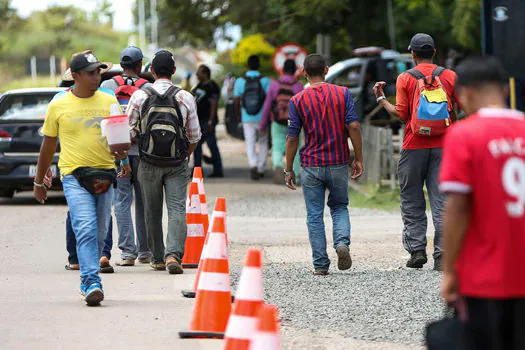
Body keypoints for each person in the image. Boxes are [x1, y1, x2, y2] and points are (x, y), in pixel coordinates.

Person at [440, 57, 525, 349]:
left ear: (466, 93)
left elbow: (457, 209)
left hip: (484, 276)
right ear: (503, 90)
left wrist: (450, 270)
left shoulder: (463, 134)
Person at [34, 51, 130, 306]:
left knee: (100, 231)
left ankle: (90, 275)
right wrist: (38, 181)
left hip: (105, 174)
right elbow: (48, 144)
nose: (96, 77)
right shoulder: (58, 104)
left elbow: (119, 138)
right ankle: (90, 281)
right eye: (90, 73)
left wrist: (124, 158)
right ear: (74, 76)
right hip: (74, 176)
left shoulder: (109, 99)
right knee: (85, 227)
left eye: (98, 72)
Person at [372, 33, 459, 271]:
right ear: (434, 51)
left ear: (412, 54)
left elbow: (401, 114)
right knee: (442, 200)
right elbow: (459, 108)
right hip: (444, 147)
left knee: (412, 199)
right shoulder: (450, 76)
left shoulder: (405, 78)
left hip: (413, 145)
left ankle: (417, 251)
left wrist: (381, 99)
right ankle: (442, 255)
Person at [285, 54, 364, 275]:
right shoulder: (343, 94)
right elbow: (354, 126)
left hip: (310, 164)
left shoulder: (297, 100)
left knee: (314, 214)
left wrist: (289, 168)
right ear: (327, 70)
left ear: (304, 73)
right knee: (339, 206)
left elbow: (292, 138)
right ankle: (341, 243)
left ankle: (320, 265)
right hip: (338, 161)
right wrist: (358, 158)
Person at [127, 49, 201, 274]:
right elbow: (194, 135)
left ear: (151, 70)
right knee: (177, 208)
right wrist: (184, 155)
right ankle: (173, 255)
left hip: (147, 161)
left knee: (151, 209)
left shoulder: (140, 95)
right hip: (176, 162)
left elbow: (128, 131)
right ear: (174, 71)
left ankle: (158, 258)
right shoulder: (185, 96)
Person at [100, 46, 152, 266]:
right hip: (143, 152)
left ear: (122, 64)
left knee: (121, 201)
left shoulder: (107, 86)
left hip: (117, 151)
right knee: (143, 201)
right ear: (140, 65)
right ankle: (145, 251)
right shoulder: (148, 88)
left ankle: (127, 253)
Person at [260, 59, 304, 184]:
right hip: (294, 123)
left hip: (277, 121)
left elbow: (268, 105)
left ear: (283, 69)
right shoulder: (298, 85)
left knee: (277, 147)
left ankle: (278, 166)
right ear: (294, 71)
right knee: (294, 148)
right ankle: (296, 173)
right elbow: (303, 107)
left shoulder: (274, 84)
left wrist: (263, 124)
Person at [234, 55, 271, 180]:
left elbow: (237, 100)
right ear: (258, 65)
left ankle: (253, 164)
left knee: (249, 142)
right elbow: (269, 101)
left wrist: (238, 117)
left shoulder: (240, 81)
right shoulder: (265, 81)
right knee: (263, 141)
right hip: (262, 117)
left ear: (248, 66)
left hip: (246, 117)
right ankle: (260, 168)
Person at [192, 64, 224, 177]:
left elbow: (213, 104)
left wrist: (211, 121)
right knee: (196, 145)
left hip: (208, 120)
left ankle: (218, 170)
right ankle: (197, 170)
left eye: (199, 72)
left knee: (211, 144)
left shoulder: (212, 86)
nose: (197, 74)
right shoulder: (199, 85)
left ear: (205, 74)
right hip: (199, 120)